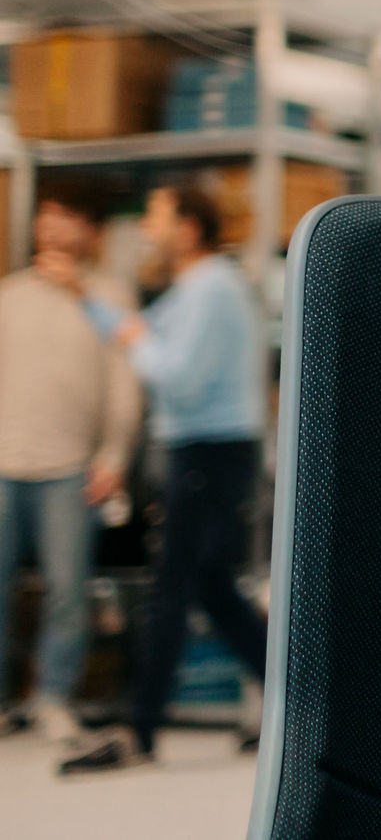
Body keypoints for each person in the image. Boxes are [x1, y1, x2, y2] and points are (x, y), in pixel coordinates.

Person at [40, 182, 268, 773]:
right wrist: (87, 296)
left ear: (188, 229)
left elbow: (176, 377)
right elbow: (138, 327)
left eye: (155, 217)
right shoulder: (197, 287)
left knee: (171, 587)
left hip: (208, 452)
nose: (145, 227)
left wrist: (135, 339)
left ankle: (138, 731)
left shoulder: (211, 288)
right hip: (211, 452)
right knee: (214, 589)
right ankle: (302, 705)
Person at [0, 181, 142, 745]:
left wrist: (114, 455)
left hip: (72, 469)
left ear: (91, 230)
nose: (53, 226)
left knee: (67, 591)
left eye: (67, 216)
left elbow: (126, 382)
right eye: (47, 215)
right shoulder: (10, 295)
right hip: (4, 462)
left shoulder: (110, 298)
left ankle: (53, 699)